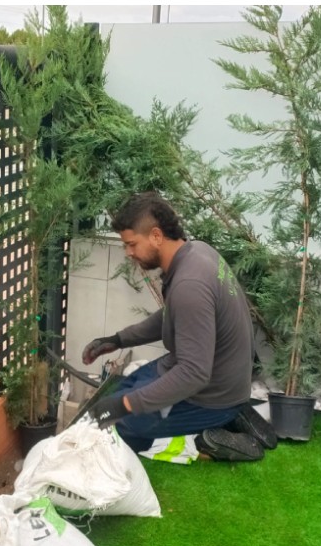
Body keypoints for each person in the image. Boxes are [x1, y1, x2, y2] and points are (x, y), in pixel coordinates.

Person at [81, 191, 275, 461]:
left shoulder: (189, 286)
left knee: (125, 422)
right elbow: (172, 316)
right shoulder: (197, 252)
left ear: (157, 236)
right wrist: (118, 340)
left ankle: (225, 427)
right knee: (130, 385)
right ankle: (236, 411)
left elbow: (193, 373)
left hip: (212, 393)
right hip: (224, 376)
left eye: (132, 244)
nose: (128, 253)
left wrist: (125, 406)